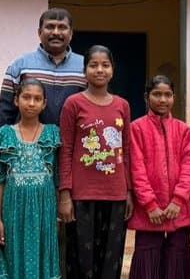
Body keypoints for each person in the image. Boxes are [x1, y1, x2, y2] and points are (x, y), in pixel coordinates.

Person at [58, 45, 133, 279]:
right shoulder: (74, 103)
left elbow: (127, 150)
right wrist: (65, 194)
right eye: (93, 65)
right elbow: (66, 149)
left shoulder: (122, 105)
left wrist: (129, 191)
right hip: (82, 197)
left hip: (116, 195)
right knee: (80, 261)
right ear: (84, 70)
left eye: (105, 65)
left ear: (112, 70)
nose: (99, 70)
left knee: (110, 262)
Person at [0, 77, 61, 279]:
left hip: (44, 208)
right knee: (15, 256)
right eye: (26, 97)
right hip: (13, 208)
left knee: (42, 257)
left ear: (44, 103)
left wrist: (56, 214)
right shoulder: (5, 134)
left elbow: (57, 177)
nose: (31, 103)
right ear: (16, 100)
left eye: (37, 99)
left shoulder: (53, 134)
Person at [128, 75, 190, 279]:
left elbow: (189, 167)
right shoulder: (136, 128)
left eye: (168, 95)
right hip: (148, 211)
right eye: (157, 94)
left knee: (178, 256)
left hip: (178, 210)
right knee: (147, 258)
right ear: (146, 97)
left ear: (174, 97)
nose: (162, 99)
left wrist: (178, 200)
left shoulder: (184, 131)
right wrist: (150, 204)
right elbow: (136, 169)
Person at [0, 8, 85, 128]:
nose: (55, 32)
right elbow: (5, 112)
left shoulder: (85, 67)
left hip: (73, 144)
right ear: (39, 32)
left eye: (62, 27)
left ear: (71, 33)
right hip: (28, 145)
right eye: (50, 27)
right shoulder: (21, 66)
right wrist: (3, 143)